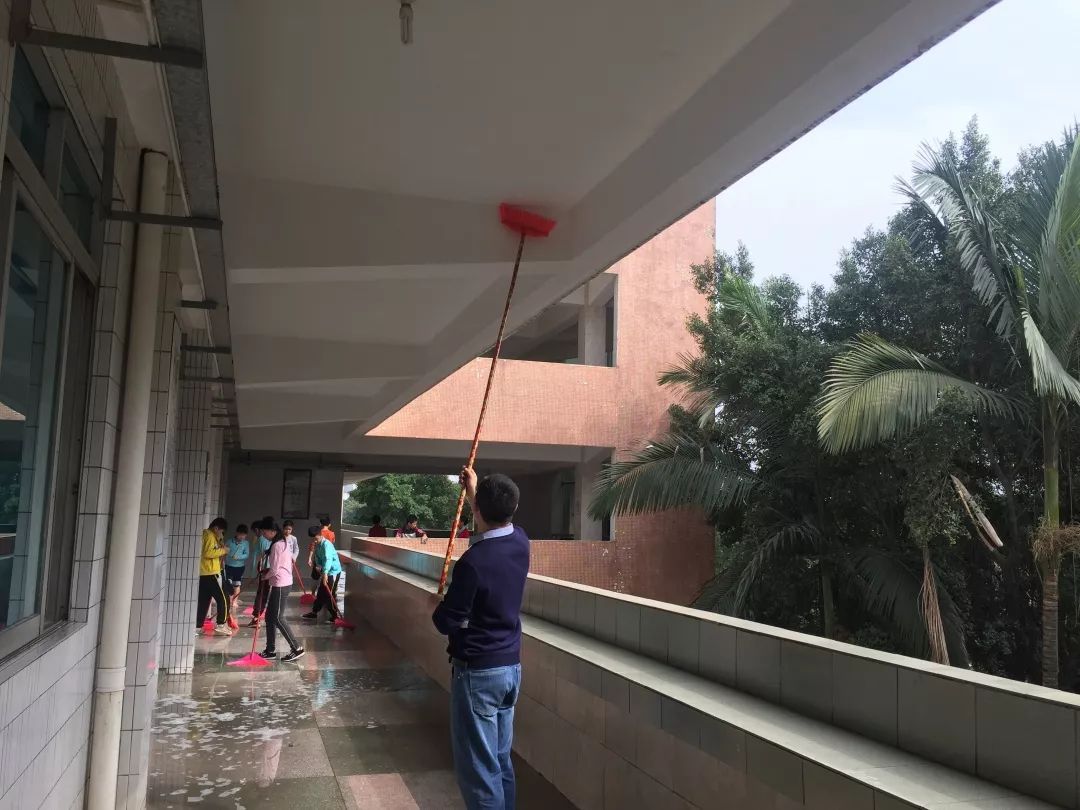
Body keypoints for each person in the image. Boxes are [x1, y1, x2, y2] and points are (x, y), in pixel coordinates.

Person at [432, 468, 529, 810]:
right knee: (499, 761)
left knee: (479, 773)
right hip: (509, 669)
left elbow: (447, 621)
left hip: (478, 675)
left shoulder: (472, 563)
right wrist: (475, 492)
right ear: (513, 508)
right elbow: (493, 522)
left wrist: (436, 606)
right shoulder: (521, 542)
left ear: (477, 511)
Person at [259, 521, 305, 663]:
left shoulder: (277, 545)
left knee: (278, 617)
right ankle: (270, 650)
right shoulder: (281, 542)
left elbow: (274, 569)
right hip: (281, 583)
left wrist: (265, 576)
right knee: (269, 617)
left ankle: (297, 648)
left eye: (264, 532)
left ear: (272, 531)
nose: (263, 535)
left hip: (281, 584)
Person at [197, 517, 232, 635]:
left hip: (204, 573)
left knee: (203, 601)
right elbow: (208, 553)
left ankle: (198, 626)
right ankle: (221, 624)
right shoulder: (209, 535)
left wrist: (220, 540)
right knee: (223, 598)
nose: (221, 533)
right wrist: (224, 550)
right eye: (221, 531)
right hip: (211, 572)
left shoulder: (207, 535)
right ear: (216, 528)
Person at [303, 526, 343, 622]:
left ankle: (335, 616)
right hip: (325, 571)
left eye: (315, 538)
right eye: (313, 539)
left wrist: (325, 573)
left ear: (321, 535)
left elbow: (328, 559)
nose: (314, 541)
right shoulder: (318, 544)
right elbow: (317, 557)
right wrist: (318, 566)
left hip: (332, 572)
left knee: (329, 594)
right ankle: (314, 612)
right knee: (321, 592)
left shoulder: (327, 545)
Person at [248, 519, 274, 627]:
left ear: (257, 530)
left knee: (262, 593)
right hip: (266, 569)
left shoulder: (262, 539)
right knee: (263, 593)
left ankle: (256, 617)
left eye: (255, 531)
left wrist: (260, 571)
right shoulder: (265, 539)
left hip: (265, 569)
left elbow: (262, 556)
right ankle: (257, 616)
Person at [224, 523, 250, 610]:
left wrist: (238, 557)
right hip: (228, 566)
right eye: (240, 534)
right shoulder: (229, 541)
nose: (242, 537)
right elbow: (224, 552)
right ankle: (229, 598)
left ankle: (234, 601)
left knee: (237, 584)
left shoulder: (246, 543)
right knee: (228, 583)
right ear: (236, 533)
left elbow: (246, 555)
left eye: (244, 535)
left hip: (239, 567)